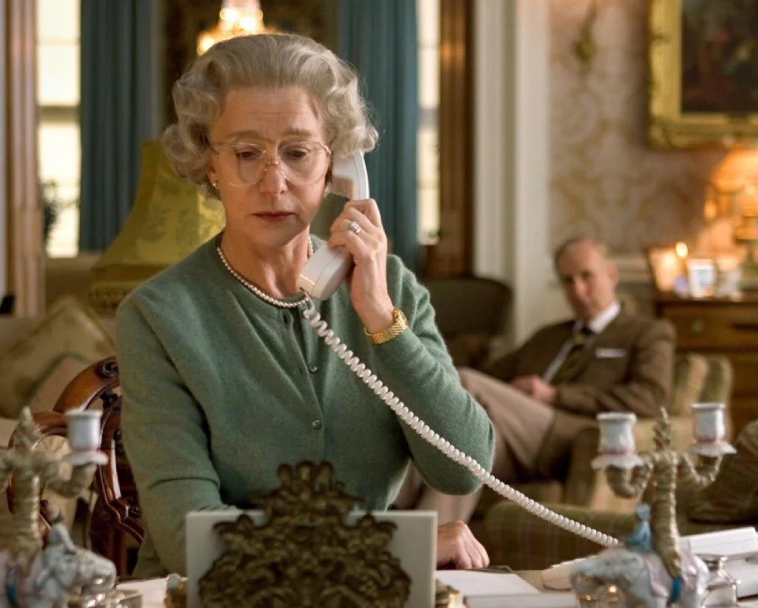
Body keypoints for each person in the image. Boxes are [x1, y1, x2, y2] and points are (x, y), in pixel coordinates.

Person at [115, 33, 495, 577]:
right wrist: (395, 548)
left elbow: (464, 471)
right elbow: (189, 539)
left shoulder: (387, 287)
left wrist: (382, 320)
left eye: (297, 152)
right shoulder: (157, 317)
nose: (275, 183)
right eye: (247, 153)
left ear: (337, 166)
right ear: (209, 162)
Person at [397, 237, 675, 523]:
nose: (578, 290)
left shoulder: (646, 333)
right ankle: (421, 551)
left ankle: (396, 502)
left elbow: (650, 399)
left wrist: (554, 395)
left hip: (572, 435)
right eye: (568, 281)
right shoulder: (549, 336)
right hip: (514, 438)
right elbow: (492, 376)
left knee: (465, 383)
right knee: (463, 448)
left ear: (612, 275)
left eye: (586, 276)